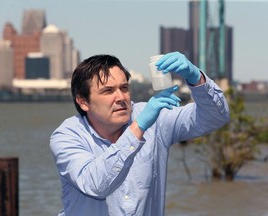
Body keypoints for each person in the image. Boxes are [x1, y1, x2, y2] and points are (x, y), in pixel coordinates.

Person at [50, 52, 230, 216]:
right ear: (83, 102)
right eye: (108, 91)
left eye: (124, 88)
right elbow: (96, 185)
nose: (120, 97)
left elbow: (215, 117)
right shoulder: (67, 136)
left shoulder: (154, 118)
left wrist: (196, 78)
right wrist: (138, 127)